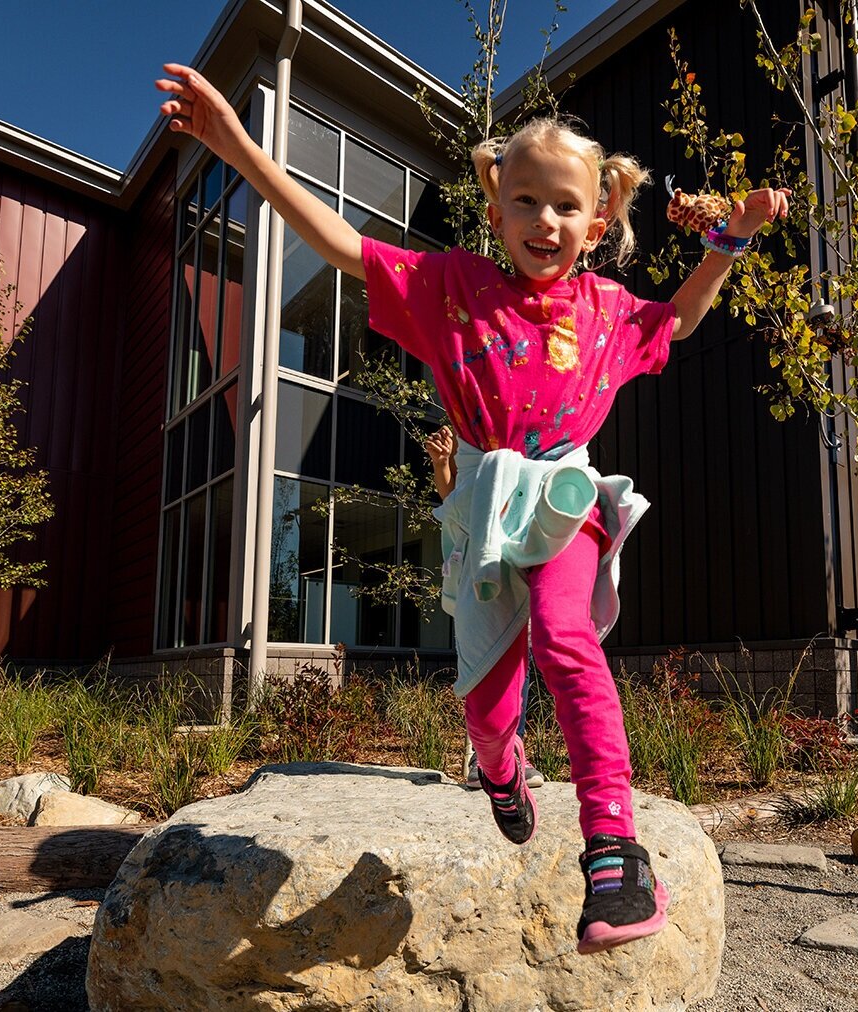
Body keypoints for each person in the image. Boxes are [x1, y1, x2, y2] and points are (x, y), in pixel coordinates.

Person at [157, 63, 787, 954]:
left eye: (566, 207)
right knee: (487, 703)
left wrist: (731, 239)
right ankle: (502, 769)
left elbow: (679, 320)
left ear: (595, 223)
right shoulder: (450, 287)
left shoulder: (605, 307)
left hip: (566, 495)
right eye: (526, 202)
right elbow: (341, 244)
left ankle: (614, 848)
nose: (546, 222)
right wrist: (239, 146)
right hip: (486, 510)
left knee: (567, 637)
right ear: (496, 212)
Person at [424, 424, 544, 791]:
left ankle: (512, 751)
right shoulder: (474, 436)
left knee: (514, 662)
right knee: (480, 659)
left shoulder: (527, 439)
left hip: (515, 562)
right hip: (476, 570)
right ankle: (485, 756)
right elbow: (454, 500)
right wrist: (441, 462)